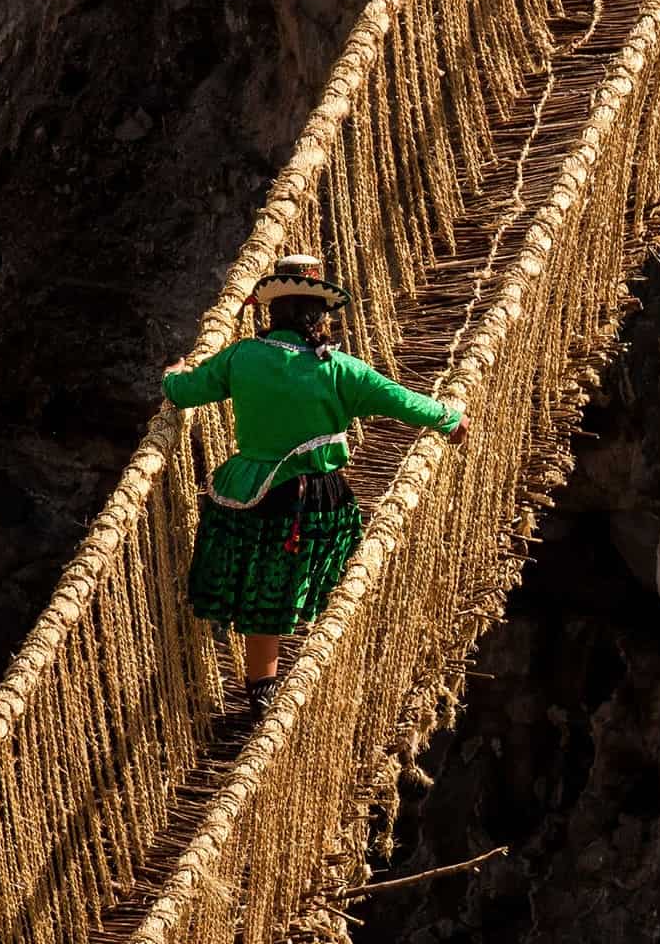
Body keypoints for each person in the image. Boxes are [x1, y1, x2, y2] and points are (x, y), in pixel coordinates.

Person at [162, 254, 467, 717]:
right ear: (319, 316)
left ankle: (261, 688)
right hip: (315, 500)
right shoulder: (341, 370)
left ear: (273, 312)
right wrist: (451, 419)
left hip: (248, 492)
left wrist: (172, 374)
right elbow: (404, 403)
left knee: (263, 588)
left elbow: (184, 392)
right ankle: (324, 657)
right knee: (329, 579)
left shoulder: (242, 356)